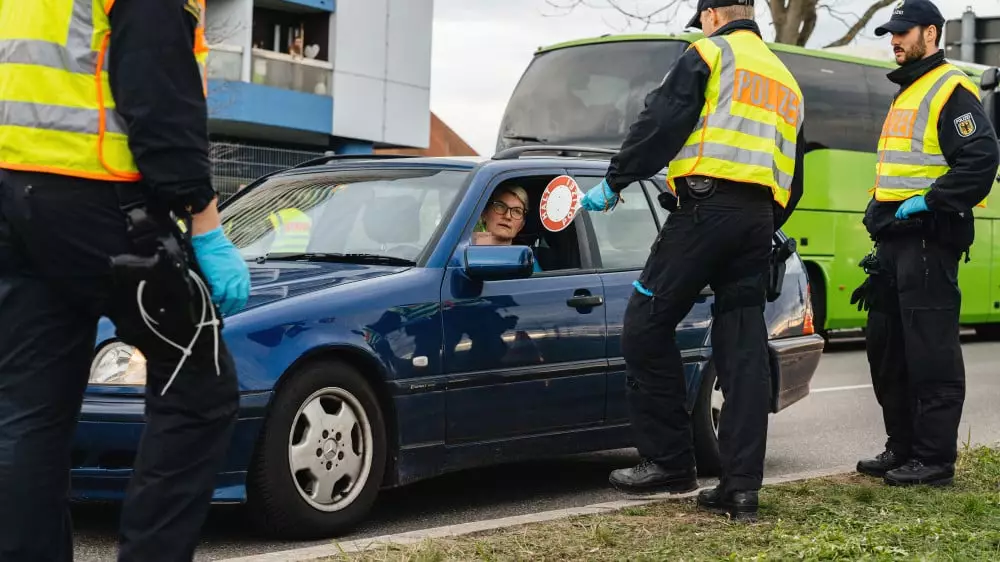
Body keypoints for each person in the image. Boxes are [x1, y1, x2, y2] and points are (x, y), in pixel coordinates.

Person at [0, 1, 251, 561]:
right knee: (199, 388)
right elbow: (160, 93)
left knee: (29, 413)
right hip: (104, 204)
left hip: (15, 203)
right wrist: (205, 221)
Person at [581, 0, 806, 521]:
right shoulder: (786, 80)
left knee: (644, 323)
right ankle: (741, 487)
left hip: (705, 212)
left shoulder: (709, 53)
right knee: (743, 348)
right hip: (757, 220)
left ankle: (669, 461)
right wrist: (766, 218)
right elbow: (793, 171)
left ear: (711, 15)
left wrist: (616, 179)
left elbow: (662, 121)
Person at [852, 0, 997, 487]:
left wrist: (929, 203)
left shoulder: (950, 89)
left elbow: (979, 161)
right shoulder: (910, 89)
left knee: (930, 351)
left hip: (929, 240)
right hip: (896, 242)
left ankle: (934, 460)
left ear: (931, 34)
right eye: (890, 33)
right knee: (886, 346)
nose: (894, 40)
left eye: (903, 32)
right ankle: (903, 447)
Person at [473, 185, 542, 273]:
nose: (507, 216)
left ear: (521, 225)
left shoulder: (526, 261)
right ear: (484, 214)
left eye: (517, 211)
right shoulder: (463, 250)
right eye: (500, 206)